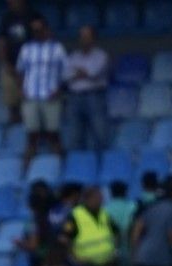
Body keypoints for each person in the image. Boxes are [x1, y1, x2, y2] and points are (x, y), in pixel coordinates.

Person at [15, 16, 66, 162]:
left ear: (46, 30)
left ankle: (59, 164)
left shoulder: (57, 48)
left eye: (39, 29)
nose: (36, 33)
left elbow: (65, 72)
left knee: (53, 133)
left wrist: (59, 90)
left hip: (51, 96)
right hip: (30, 96)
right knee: (31, 134)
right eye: (33, 30)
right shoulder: (26, 49)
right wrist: (21, 89)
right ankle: (29, 168)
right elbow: (20, 70)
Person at [64, 24, 109, 153]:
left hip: (94, 96)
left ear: (93, 39)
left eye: (87, 37)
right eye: (82, 37)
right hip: (75, 97)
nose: (84, 40)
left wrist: (78, 72)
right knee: (75, 135)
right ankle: (78, 167)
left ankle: (101, 167)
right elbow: (65, 76)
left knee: (100, 133)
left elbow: (94, 73)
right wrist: (83, 73)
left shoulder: (101, 55)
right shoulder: (73, 56)